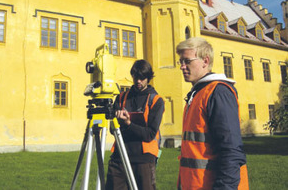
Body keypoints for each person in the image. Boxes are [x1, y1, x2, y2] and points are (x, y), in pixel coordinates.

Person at [176, 37, 249, 190]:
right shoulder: (198, 93)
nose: (182, 66)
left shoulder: (218, 92)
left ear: (205, 61)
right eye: (180, 62)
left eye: (187, 61)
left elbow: (231, 150)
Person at [105, 59, 165, 190]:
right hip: (120, 156)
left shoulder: (156, 101)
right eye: (136, 77)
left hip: (144, 159)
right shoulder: (121, 98)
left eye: (142, 78)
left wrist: (128, 124)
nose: (138, 81)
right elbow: (112, 129)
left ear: (148, 78)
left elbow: (149, 134)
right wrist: (120, 123)